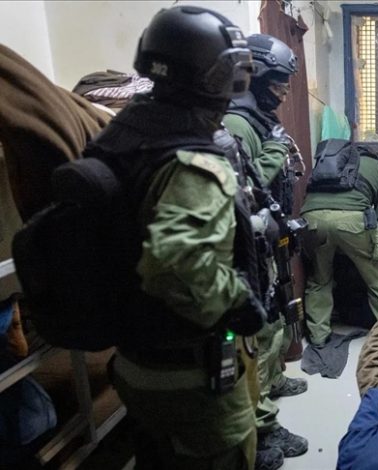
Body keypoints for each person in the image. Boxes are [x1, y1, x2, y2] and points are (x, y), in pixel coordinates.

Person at [98, 6, 265, 469]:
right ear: (215, 76)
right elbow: (177, 262)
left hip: (135, 365)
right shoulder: (193, 161)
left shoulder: (120, 136)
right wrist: (239, 301)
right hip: (192, 380)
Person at [222, 33, 308, 468]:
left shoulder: (259, 120)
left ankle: (272, 384)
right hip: (249, 244)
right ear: (253, 76)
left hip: (268, 237)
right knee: (255, 336)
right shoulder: (238, 124)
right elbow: (246, 184)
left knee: (275, 321)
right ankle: (263, 424)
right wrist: (276, 149)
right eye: (278, 82)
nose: (284, 91)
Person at [301, 140, 378, 347]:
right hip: (353, 222)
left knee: (319, 279)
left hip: (311, 220)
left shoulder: (326, 164)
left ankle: (318, 336)